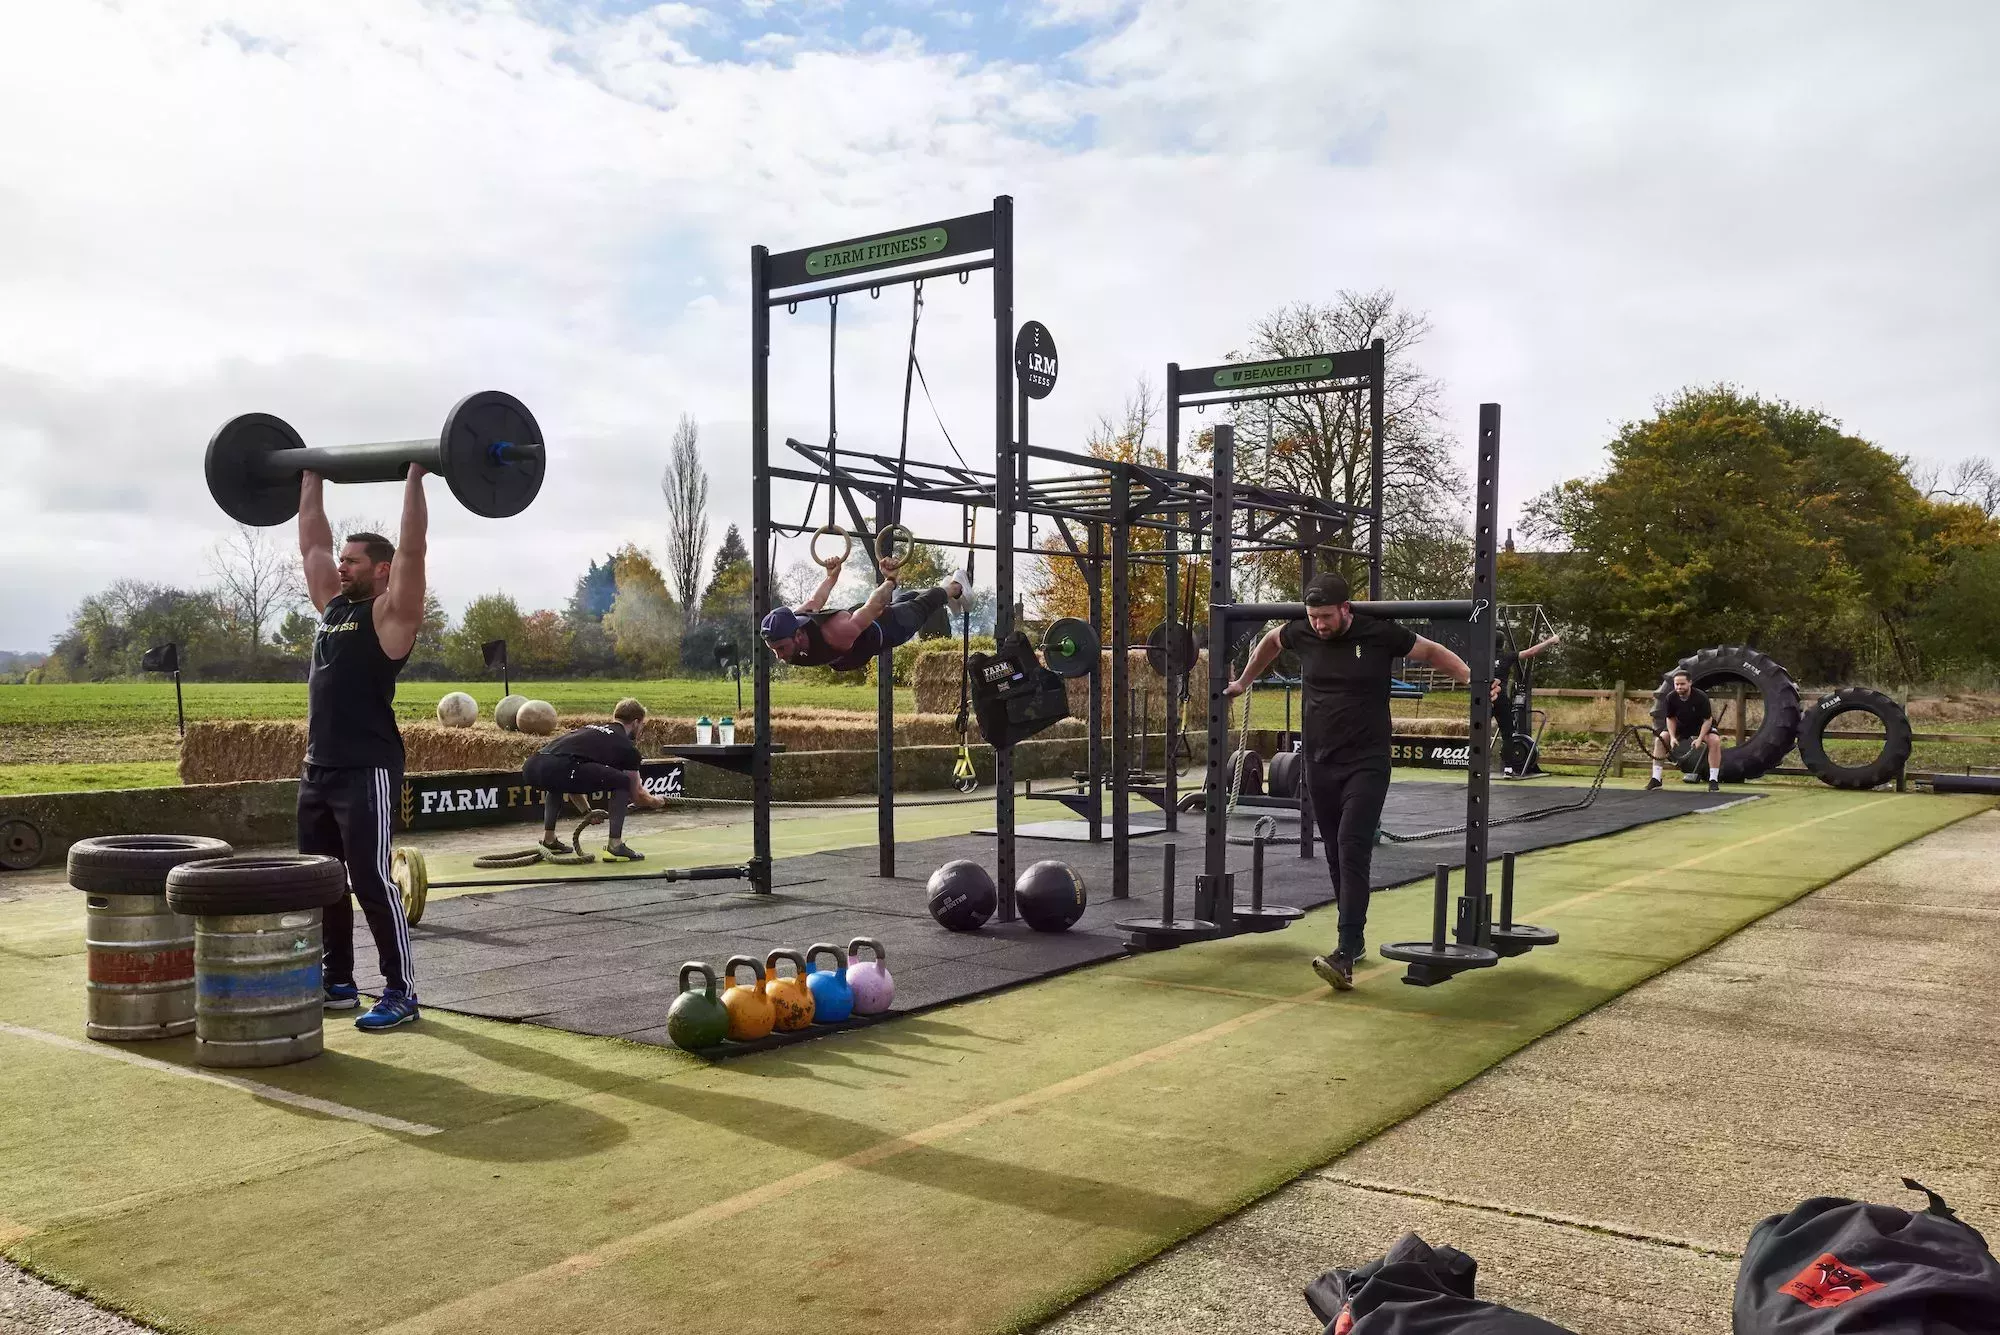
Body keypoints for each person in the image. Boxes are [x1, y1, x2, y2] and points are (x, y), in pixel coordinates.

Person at [1226, 572, 1473, 992]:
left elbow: (1431, 652)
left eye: (1326, 616)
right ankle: (1352, 938)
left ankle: (1345, 951)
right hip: (1318, 761)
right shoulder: (1301, 632)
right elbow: (1269, 641)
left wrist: (1473, 679)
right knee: (1336, 855)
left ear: (1346, 609)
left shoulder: (1379, 633)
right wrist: (1243, 682)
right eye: (1313, 617)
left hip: (1367, 761)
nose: (1319, 625)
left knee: (1351, 846)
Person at [297, 470, 426, 1032]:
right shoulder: (331, 608)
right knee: (322, 877)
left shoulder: (390, 616)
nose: (341, 565)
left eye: (353, 560)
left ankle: (401, 991)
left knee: (370, 879)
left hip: (367, 767)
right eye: (343, 558)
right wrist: (311, 477)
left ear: (382, 570)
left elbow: (415, 547)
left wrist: (416, 474)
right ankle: (339, 981)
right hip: (317, 767)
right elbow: (311, 543)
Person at [761, 548, 970, 671]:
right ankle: (943, 590)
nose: (779, 656)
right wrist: (831, 576)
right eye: (775, 650)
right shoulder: (796, 620)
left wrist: (891, 578)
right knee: (907, 600)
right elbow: (816, 599)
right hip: (866, 619)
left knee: (920, 606)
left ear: (797, 635)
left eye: (780, 648)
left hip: (888, 627)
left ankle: (956, 587)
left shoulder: (836, 633)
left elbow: (874, 607)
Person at [522, 699, 666, 862]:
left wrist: (587, 812)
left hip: (532, 766)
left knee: (557, 782)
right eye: (642, 725)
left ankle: (549, 840)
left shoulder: (592, 729)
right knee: (622, 781)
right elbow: (637, 795)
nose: (641, 730)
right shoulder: (627, 748)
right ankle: (615, 846)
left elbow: (568, 776)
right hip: (560, 767)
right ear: (635, 722)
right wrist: (655, 802)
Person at [1491, 629, 1561, 776]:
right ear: (1503, 644)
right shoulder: (1507, 656)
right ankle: (1508, 769)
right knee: (1508, 734)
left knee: (1478, 730)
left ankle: (1476, 767)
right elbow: (1530, 652)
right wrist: (1550, 641)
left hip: (1483, 697)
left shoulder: (1483, 657)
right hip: (1500, 698)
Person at [1650, 669, 1722, 793]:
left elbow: (1707, 720)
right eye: (1676, 684)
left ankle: (1713, 780)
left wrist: (1699, 738)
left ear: (1690, 683)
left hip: (1700, 725)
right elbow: (1670, 718)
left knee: (1714, 740)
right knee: (1660, 739)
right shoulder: (1671, 697)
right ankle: (1656, 779)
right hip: (1681, 725)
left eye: (1682, 684)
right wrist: (1672, 737)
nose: (1679, 687)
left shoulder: (1701, 697)